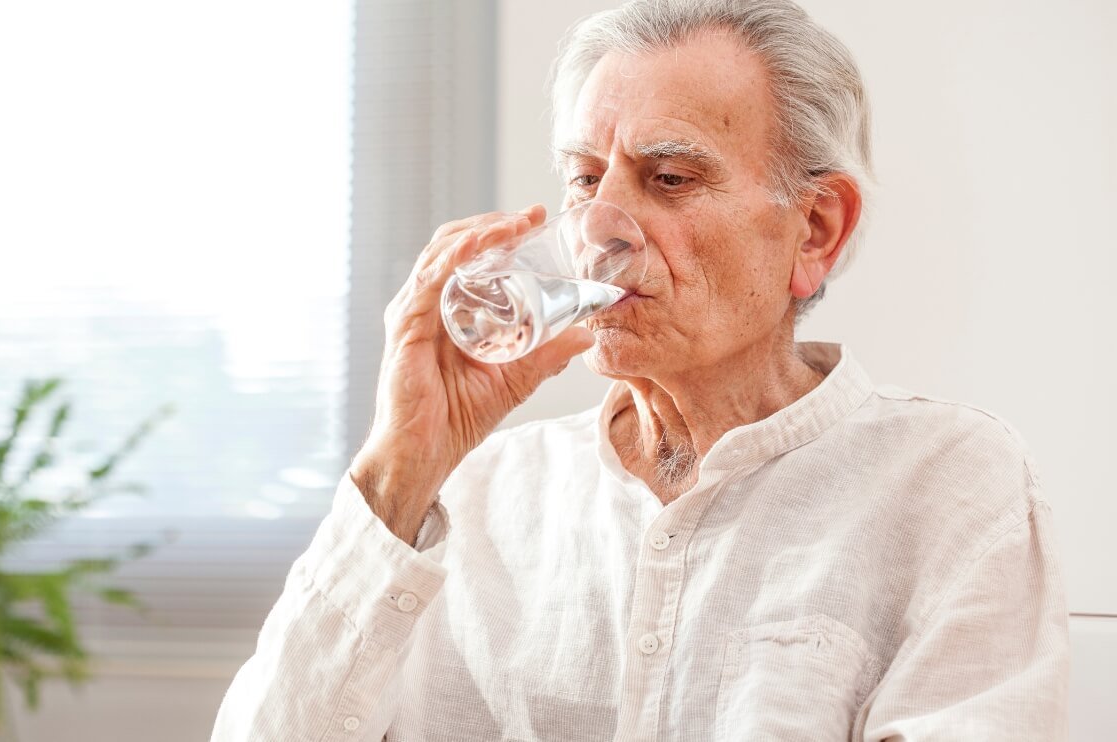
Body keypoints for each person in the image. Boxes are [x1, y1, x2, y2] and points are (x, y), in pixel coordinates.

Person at [212, 0, 1070, 739]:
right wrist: (399, 467)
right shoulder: (472, 495)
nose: (601, 229)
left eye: (668, 179)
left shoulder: (948, 485)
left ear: (814, 231)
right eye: (586, 180)